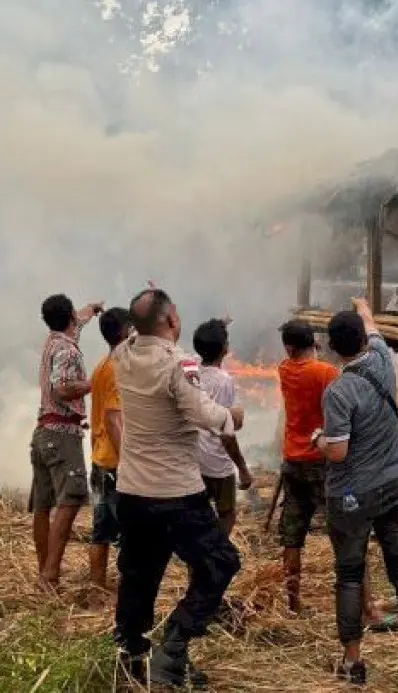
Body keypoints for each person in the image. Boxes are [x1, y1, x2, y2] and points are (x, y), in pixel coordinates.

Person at [111, 288, 244, 687]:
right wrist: (232, 416)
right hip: (176, 492)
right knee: (221, 562)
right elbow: (203, 413)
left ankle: (131, 653)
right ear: (171, 321)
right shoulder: (177, 364)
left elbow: (136, 333)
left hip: (132, 489)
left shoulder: (122, 354)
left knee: (139, 573)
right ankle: (174, 645)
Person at [314, 299, 398, 687]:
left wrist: (318, 441)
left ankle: (354, 664)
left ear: (332, 348)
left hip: (352, 495)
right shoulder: (382, 358)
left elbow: (339, 450)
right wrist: (364, 306)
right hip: (394, 485)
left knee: (349, 575)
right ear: (366, 338)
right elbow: (372, 324)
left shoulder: (338, 391)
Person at [275, 320, 390, 627]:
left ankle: (293, 603)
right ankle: (368, 608)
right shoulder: (325, 373)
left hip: (292, 460)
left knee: (292, 534)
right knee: (349, 532)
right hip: (323, 460)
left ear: (288, 348)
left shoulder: (284, 369)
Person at [31, 294, 104, 594]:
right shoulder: (68, 351)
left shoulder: (53, 339)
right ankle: (49, 576)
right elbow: (62, 389)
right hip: (62, 436)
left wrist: (92, 309)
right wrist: (95, 383)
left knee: (42, 504)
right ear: (69, 317)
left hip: (43, 434)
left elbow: (78, 320)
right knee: (70, 500)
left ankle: (44, 571)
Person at [192, 318, 254, 537]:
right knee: (226, 514)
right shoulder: (224, 381)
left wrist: (219, 325)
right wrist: (243, 469)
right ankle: (216, 554)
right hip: (218, 463)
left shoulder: (191, 371)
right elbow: (227, 433)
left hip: (194, 459)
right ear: (225, 348)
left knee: (198, 515)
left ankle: (197, 561)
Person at [88, 306, 132, 591]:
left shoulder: (102, 366)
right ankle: (128, 591)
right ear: (126, 332)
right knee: (130, 533)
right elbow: (114, 418)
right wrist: (130, 461)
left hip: (100, 458)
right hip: (117, 462)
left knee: (101, 530)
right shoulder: (119, 369)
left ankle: (97, 587)